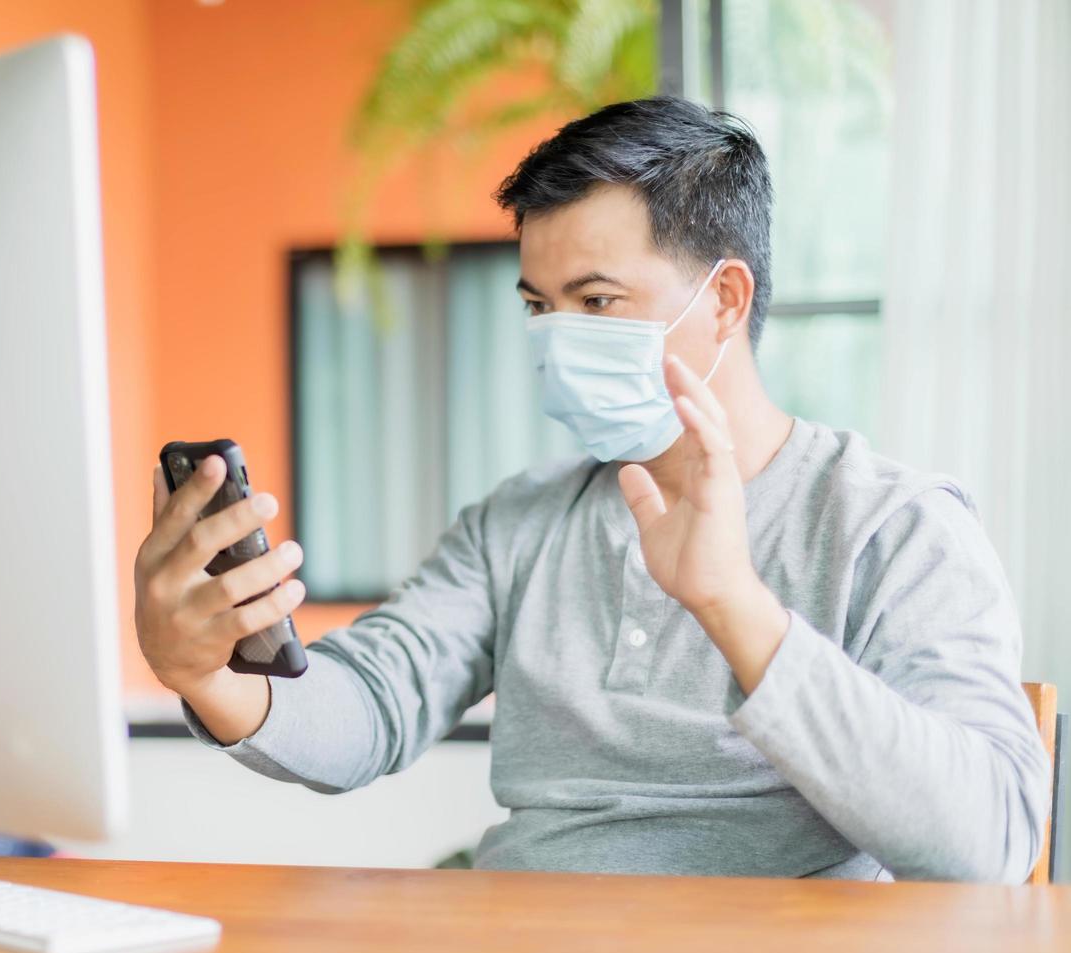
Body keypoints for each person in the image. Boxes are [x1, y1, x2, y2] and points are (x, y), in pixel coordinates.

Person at [132, 96, 1048, 882]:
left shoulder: (893, 525)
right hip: (522, 946)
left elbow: (990, 840)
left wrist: (735, 606)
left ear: (726, 301)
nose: (556, 339)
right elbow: (371, 708)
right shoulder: (518, 522)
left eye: (597, 300)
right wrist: (207, 675)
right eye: (539, 306)